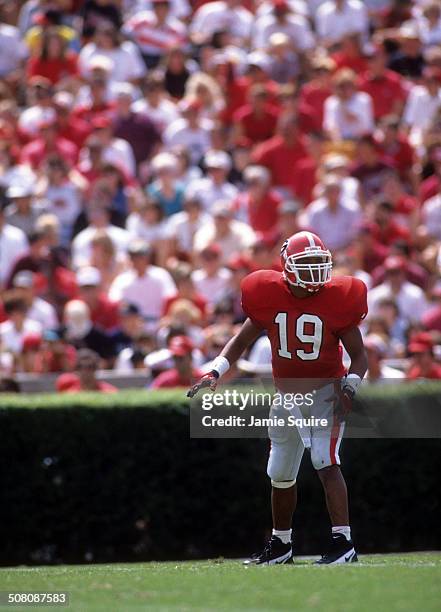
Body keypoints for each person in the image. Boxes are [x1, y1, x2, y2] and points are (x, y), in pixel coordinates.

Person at [188, 230, 368, 565]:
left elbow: (360, 355)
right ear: (287, 266)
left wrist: (350, 386)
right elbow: (240, 341)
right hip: (285, 396)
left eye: (319, 263)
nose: (315, 270)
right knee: (280, 471)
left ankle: (344, 543)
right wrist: (216, 370)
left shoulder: (339, 297)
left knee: (325, 461)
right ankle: (281, 544)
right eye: (307, 263)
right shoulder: (266, 294)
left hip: (326, 392)